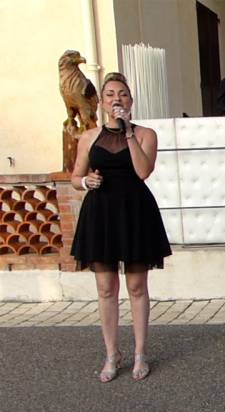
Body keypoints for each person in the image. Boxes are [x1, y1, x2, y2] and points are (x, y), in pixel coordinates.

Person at [70, 72, 172, 382]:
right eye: (111, 94)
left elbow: (143, 171)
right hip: (100, 213)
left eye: (123, 94)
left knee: (137, 287)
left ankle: (140, 353)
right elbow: (75, 177)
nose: (117, 99)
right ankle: (112, 353)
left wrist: (128, 132)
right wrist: (85, 182)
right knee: (105, 288)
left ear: (131, 101)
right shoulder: (89, 137)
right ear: (101, 103)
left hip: (134, 212)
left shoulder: (145, 134)